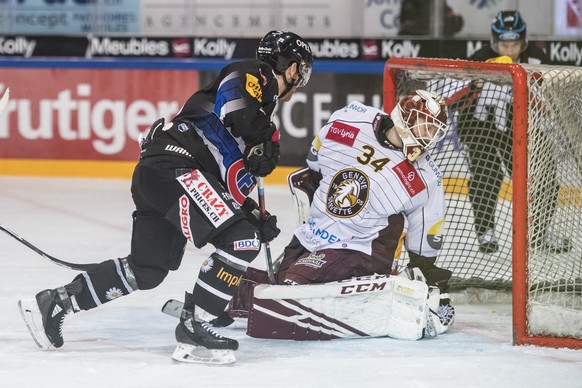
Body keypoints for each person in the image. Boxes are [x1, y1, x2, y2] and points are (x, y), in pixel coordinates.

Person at [17, 30, 313, 365]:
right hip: (176, 168)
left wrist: (250, 211)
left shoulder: (262, 110)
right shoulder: (256, 73)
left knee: (148, 268)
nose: (300, 79)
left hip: (164, 176)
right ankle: (196, 322)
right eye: (300, 70)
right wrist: (264, 138)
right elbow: (237, 107)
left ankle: (56, 302)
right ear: (290, 66)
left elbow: (224, 180)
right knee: (241, 240)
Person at [226, 91, 455, 334]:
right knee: (279, 282)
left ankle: (248, 298)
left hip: (361, 247)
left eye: (435, 132)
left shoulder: (426, 177)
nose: (430, 138)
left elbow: (425, 235)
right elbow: (314, 164)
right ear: (406, 116)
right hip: (314, 234)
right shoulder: (350, 119)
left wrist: (427, 280)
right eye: (426, 127)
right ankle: (219, 295)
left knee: (290, 289)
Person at [454, 10, 571, 254]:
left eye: (515, 44)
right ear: (496, 42)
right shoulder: (480, 58)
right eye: (505, 44)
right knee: (488, 174)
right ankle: (486, 232)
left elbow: (546, 100)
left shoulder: (536, 59)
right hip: (478, 127)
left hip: (517, 128)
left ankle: (539, 232)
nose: (509, 51)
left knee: (545, 177)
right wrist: (474, 84)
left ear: (523, 41)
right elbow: (457, 99)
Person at [398, 0, 464, 36]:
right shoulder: (411, 4)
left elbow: (455, 23)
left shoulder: (440, 3)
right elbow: (406, 24)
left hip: (439, 43)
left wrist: (454, 19)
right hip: (420, 39)